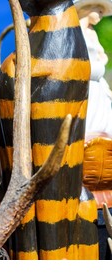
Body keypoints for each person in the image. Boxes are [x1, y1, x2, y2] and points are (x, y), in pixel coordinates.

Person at [74, 0, 112, 259]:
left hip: (99, 93)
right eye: (97, 8)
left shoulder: (91, 35)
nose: (100, 14)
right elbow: (90, 67)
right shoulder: (76, 34)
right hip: (87, 95)